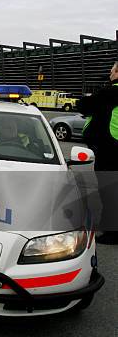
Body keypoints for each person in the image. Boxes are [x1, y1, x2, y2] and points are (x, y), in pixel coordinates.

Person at [79, 61, 118, 244]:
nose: (110, 74)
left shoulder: (111, 93)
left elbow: (84, 106)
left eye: (111, 71)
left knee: (109, 191)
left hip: (111, 152)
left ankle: (113, 233)